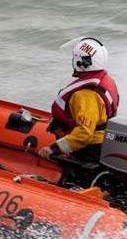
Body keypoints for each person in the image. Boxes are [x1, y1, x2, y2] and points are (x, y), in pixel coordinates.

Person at [38, 37, 120, 185]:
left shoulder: (85, 94)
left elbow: (84, 134)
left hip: (90, 150)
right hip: (103, 141)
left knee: (73, 180)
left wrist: (53, 149)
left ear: (81, 62)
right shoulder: (104, 79)